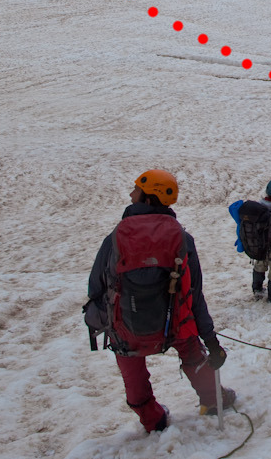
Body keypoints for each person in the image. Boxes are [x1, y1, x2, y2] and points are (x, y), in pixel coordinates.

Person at [85, 169, 236, 432]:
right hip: (175, 324)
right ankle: (214, 400)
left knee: (130, 363)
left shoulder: (116, 237)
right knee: (191, 350)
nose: (132, 193)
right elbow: (194, 294)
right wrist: (211, 342)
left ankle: (151, 419)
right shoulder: (182, 238)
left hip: (126, 328)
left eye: (136, 189)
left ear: (148, 196)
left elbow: (95, 286)